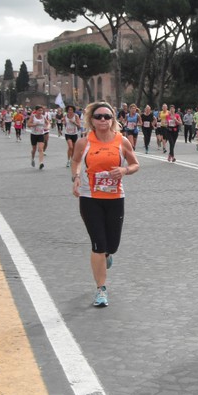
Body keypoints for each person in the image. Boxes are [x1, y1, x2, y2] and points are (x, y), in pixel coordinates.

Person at [71, 101, 139, 307]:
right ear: (91, 120)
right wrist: (75, 177)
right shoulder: (84, 143)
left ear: (113, 120)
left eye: (107, 116)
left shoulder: (122, 141)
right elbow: (75, 161)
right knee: (98, 244)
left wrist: (124, 170)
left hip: (115, 198)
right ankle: (101, 289)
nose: (103, 120)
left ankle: (108, 253)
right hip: (90, 198)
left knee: (112, 245)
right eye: (98, 116)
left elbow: (135, 164)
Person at [27, 106, 47, 170]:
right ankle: (32, 159)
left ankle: (41, 163)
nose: (40, 112)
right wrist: (34, 124)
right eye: (39, 110)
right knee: (34, 149)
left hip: (41, 134)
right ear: (36, 111)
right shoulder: (33, 117)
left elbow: (48, 123)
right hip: (34, 134)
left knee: (41, 149)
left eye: (41, 110)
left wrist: (47, 127)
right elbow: (28, 124)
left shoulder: (43, 117)